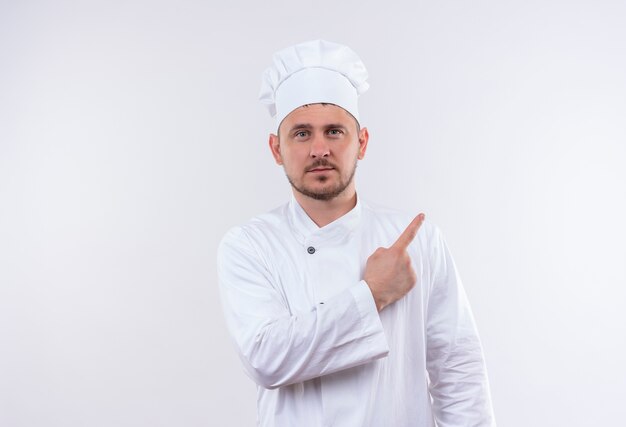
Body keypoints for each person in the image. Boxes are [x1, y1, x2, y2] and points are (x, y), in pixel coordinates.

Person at [217, 39, 496, 427]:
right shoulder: (250, 245)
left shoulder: (417, 239)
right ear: (276, 149)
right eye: (301, 133)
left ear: (361, 142)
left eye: (334, 132)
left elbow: (457, 368)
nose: (319, 149)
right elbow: (267, 359)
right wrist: (372, 294)